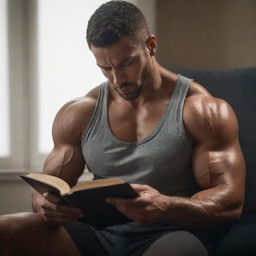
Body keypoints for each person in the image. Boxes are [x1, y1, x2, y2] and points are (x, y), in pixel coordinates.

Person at [0, 1, 255, 255]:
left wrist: (167, 206)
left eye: (126, 63)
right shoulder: (79, 113)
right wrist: (43, 203)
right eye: (105, 68)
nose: (117, 79)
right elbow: (50, 188)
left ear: (151, 45)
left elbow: (230, 202)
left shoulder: (201, 110)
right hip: (96, 234)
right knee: (6, 230)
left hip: (168, 232)